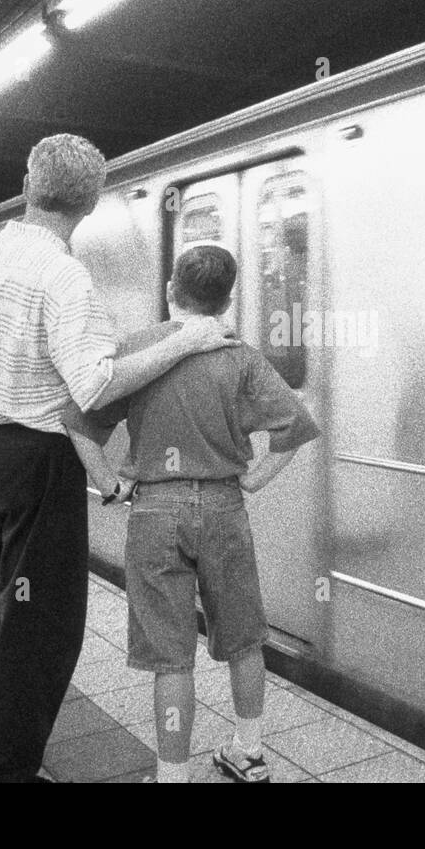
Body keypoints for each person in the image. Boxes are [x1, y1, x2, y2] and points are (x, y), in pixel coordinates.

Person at [0, 135, 237, 783]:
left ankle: (7, 756)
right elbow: (96, 386)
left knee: (3, 611)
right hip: (35, 458)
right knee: (44, 629)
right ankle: (6, 772)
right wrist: (185, 341)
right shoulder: (62, 273)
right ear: (88, 203)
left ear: (28, 185)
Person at [64, 244, 320, 784]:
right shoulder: (240, 355)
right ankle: (247, 754)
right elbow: (294, 429)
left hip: (155, 511)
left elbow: (78, 424)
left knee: (170, 655)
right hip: (224, 505)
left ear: (170, 292)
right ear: (227, 300)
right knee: (244, 638)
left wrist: (109, 487)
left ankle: (172, 775)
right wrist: (252, 478)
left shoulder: (137, 350)